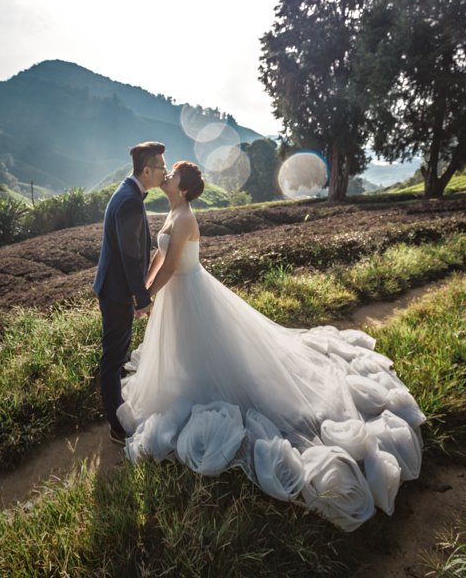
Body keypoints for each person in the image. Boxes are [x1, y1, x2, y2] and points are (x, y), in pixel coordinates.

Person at [116, 161, 425, 531]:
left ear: (182, 189)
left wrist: (147, 296)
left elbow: (170, 269)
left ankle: (211, 392)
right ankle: (189, 387)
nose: (166, 176)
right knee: (184, 352)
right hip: (177, 298)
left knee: (210, 352)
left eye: (173, 174)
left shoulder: (185, 219)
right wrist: (142, 290)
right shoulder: (171, 211)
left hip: (189, 292)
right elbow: (158, 258)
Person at [93, 141, 168, 445]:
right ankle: (116, 426)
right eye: (162, 167)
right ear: (147, 170)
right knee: (112, 359)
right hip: (116, 292)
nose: (165, 172)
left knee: (117, 355)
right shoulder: (129, 201)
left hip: (114, 288)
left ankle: (117, 412)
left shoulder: (129, 193)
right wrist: (143, 297)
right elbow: (130, 257)